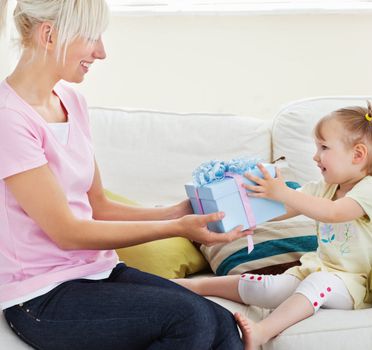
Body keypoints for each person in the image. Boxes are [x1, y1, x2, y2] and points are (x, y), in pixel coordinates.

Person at [0, 1, 250, 349]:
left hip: (99, 272)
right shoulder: (9, 118)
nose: (101, 52)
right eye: (91, 37)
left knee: (222, 324)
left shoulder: (72, 101)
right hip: (41, 296)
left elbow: (98, 206)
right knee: (189, 319)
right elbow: (67, 232)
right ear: (49, 34)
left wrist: (177, 212)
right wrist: (176, 229)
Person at [175, 102, 372, 350]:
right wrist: (244, 214)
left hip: (357, 284)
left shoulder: (369, 192)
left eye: (323, 147)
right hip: (317, 269)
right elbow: (284, 208)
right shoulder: (324, 188)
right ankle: (196, 286)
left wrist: (283, 193)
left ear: (357, 155)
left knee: (319, 284)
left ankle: (262, 332)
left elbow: (333, 213)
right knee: (271, 288)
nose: (315, 156)